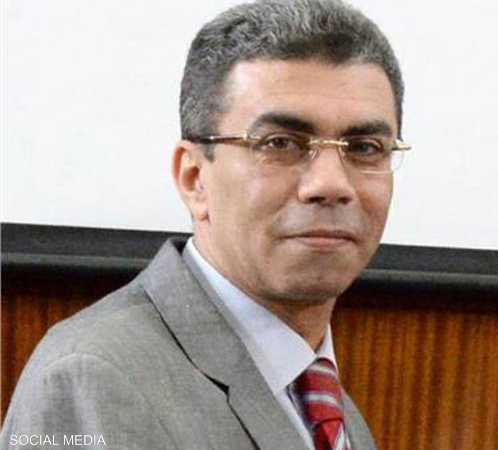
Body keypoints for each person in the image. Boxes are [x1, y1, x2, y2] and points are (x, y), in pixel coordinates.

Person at [1, 1, 409, 448]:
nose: (331, 184)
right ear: (194, 178)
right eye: (279, 143)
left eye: (365, 147)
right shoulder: (93, 377)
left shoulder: (327, 403)